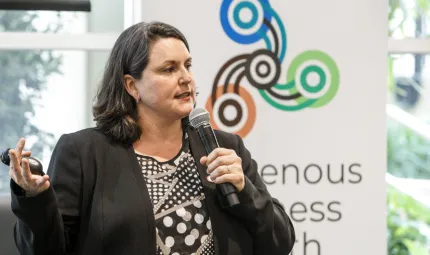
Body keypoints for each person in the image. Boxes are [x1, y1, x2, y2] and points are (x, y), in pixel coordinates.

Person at [8, 21, 295, 255]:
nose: (186, 78)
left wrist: (246, 191)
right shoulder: (84, 153)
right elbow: (46, 250)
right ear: (132, 85)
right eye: (169, 69)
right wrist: (33, 199)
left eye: (188, 66)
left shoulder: (224, 147)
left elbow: (280, 242)